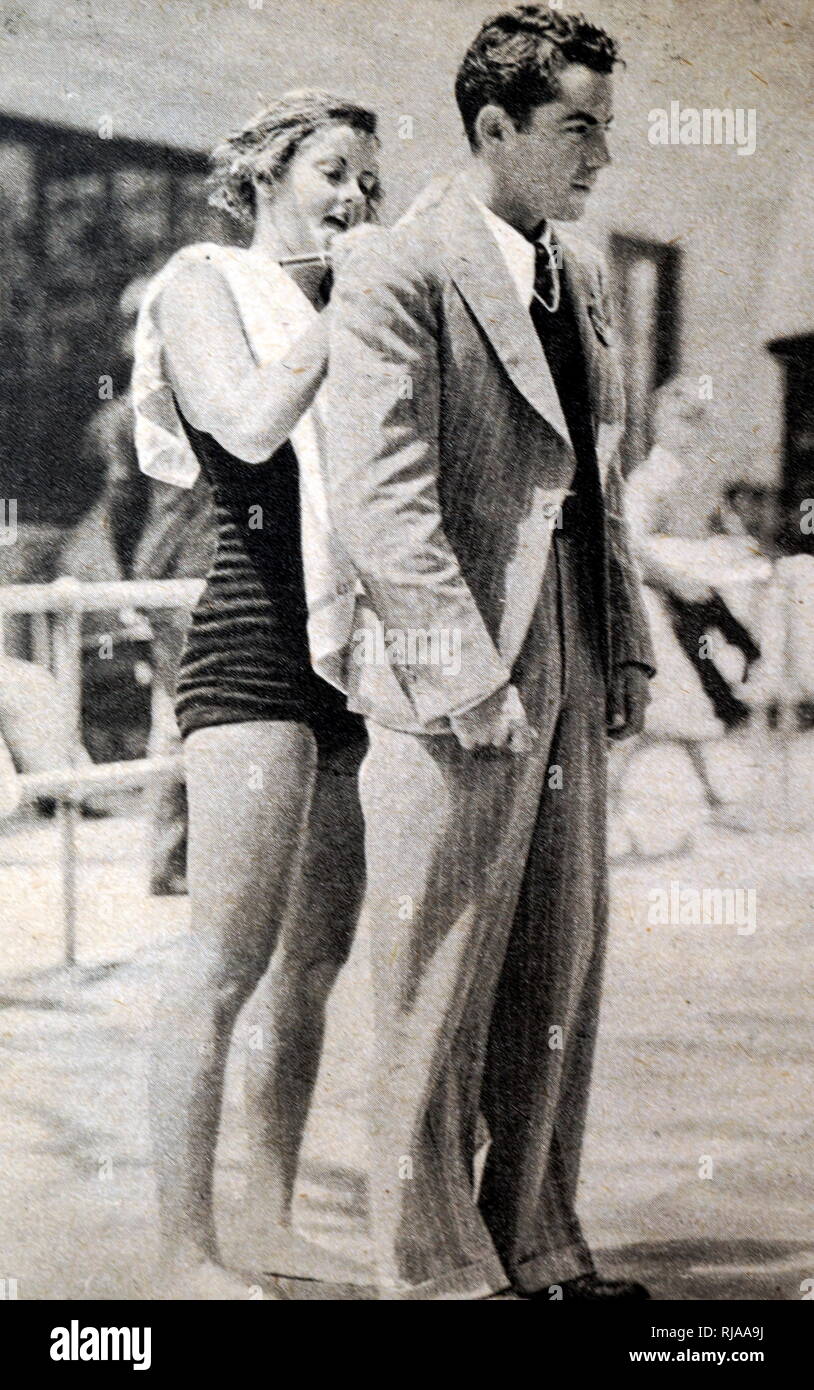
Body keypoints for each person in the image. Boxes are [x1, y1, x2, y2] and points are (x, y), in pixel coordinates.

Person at [325, 7, 655, 1299]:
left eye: (606, 130)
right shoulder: (397, 270)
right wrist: (461, 675)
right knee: (433, 981)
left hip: (567, 652)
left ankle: (538, 1243)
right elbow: (383, 502)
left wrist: (619, 647)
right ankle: (436, 1270)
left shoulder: (574, 281)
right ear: (492, 128)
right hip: (451, 670)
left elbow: (595, 487)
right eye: (576, 128)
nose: (599, 157)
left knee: (556, 970)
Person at [135, 90, 382, 1297]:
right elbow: (243, 421)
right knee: (222, 964)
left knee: (313, 964)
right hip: (248, 645)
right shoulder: (204, 280)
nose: (354, 201)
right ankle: (183, 1252)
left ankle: (270, 1221)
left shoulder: (337, 302)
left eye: (369, 187)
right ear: (267, 175)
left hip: (346, 660)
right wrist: (337, 305)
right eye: (335, 173)